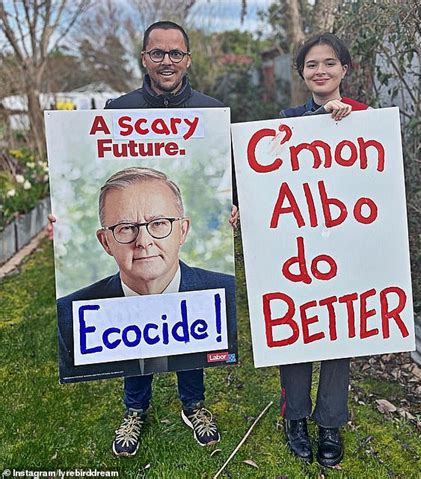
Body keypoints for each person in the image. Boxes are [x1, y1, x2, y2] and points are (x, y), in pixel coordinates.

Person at [51, 20, 238, 458]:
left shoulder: (211, 112)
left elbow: (226, 175)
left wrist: (231, 207)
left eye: (175, 53)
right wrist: (58, 214)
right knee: (133, 322)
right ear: (144, 58)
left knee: (192, 321)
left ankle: (194, 403)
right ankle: (135, 407)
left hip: (166, 236)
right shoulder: (117, 111)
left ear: (188, 59)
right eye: (158, 53)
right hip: (134, 241)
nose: (167, 61)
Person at [57, 167, 237, 457]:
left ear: (182, 230)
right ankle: (135, 409)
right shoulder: (71, 313)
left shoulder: (223, 292)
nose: (143, 242)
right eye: (126, 228)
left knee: (192, 346)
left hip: (195, 314)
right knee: (133, 347)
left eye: (159, 223)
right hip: (119, 316)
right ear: (105, 242)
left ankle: (193, 405)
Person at [278, 33, 369, 467]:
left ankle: (329, 421)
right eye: (311, 64)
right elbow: (272, 183)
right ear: (302, 73)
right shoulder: (286, 121)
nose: (320, 71)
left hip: (344, 244)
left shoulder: (365, 120)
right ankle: (294, 417)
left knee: (338, 331)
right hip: (298, 245)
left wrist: (346, 122)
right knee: (296, 331)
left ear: (344, 70)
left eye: (329, 63)